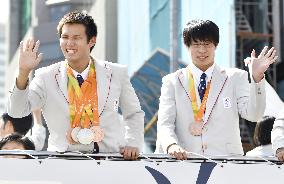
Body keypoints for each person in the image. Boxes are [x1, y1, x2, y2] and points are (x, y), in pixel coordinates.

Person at [7, 11, 144, 160]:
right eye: (65, 37)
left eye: (76, 38)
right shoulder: (45, 77)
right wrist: (23, 73)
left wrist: (133, 143)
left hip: (109, 160)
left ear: (91, 41)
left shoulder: (117, 73)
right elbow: (17, 112)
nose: (69, 43)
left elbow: (134, 113)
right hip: (63, 164)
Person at [156, 20, 277, 160]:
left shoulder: (236, 77)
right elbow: (165, 123)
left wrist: (257, 78)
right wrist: (171, 145)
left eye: (207, 44)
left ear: (216, 45)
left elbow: (254, 115)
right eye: (196, 44)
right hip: (185, 161)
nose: (202, 50)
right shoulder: (172, 81)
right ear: (187, 46)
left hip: (226, 163)